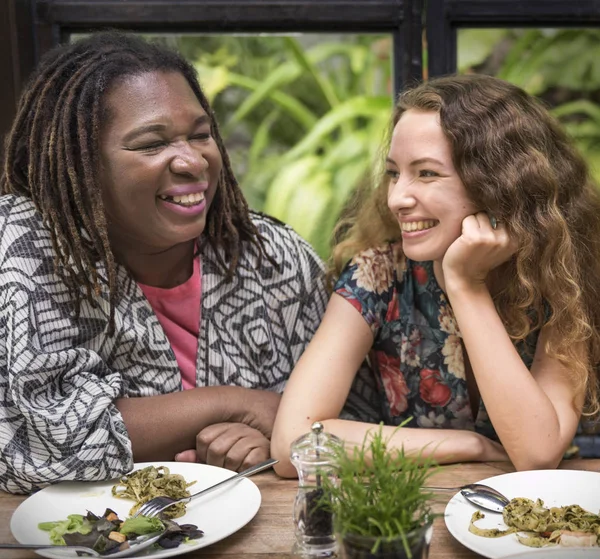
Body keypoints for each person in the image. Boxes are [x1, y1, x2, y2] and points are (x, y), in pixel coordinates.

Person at [0, 31, 327, 494]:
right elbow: (48, 436)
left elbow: (340, 422)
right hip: (79, 549)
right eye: (152, 144)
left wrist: (272, 440)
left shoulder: (271, 255)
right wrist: (238, 404)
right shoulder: (33, 247)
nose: (193, 161)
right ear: (80, 163)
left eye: (200, 135)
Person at [271, 73, 600, 477]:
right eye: (394, 172)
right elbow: (293, 444)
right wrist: (471, 445)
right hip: (411, 512)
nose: (397, 198)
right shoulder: (378, 275)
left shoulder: (560, 276)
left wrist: (466, 285)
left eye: (426, 173)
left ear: (499, 184)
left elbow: (537, 453)